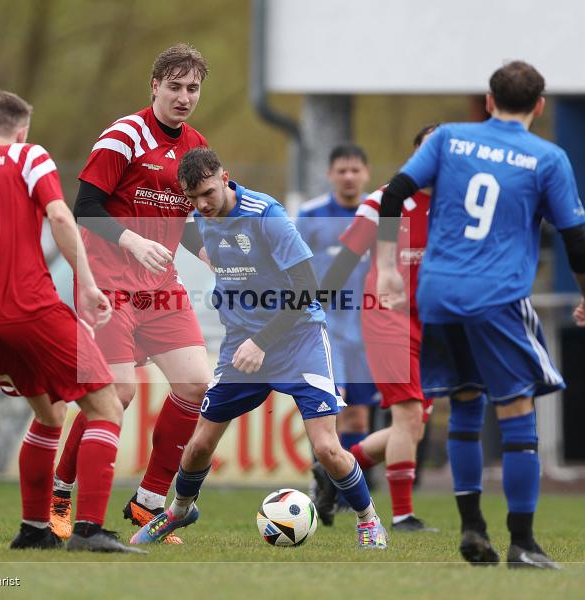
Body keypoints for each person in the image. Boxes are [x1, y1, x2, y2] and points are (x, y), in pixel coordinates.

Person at [375, 61, 585, 569]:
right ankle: (523, 543)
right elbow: (577, 241)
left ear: (488, 99)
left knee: (466, 404)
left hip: (438, 295)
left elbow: (393, 193)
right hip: (497, 297)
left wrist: (389, 270)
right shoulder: (547, 156)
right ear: (539, 106)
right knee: (518, 413)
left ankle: (472, 527)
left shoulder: (450, 138)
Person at [129, 147, 387, 549]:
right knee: (198, 445)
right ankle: (179, 511)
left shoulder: (268, 215)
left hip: (298, 339)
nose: (201, 205)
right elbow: (188, 229)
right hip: (242, 345)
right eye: (192, 198)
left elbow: (307, 291)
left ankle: (368, 520)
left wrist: (261, 341)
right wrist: (207, 256)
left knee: (326, 448)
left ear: (225, 177)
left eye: (208, 194)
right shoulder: (201, 214)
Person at [0, 90, 141, 553]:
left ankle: (34, 529)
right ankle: (90, 530)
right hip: (31, 306)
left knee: (50, 414)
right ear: (21, 131)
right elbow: (59, 213)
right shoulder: (27, 155)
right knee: (108, 403)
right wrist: (89, 285)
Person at [49, 44, 213, 543]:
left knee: (195, 385)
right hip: (109, 286)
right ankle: (60, 492)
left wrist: (213, 257)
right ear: (155, 86)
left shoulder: (196, 144)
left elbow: (183, 219)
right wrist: (133, 240)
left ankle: (148, 503)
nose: (184, 97)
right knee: (115, 396)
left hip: (160, 290)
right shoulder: (125, 135)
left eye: (193, 89)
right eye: (175, 87)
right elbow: (85, 207)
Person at [317, 125, 439, 533]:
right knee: (405, 416)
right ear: (416, 156)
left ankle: (334, 475)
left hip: (435, 323)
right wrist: (314, 307)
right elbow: (346, 259)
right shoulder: (383, 201)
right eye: (428, 151)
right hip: (387, 318)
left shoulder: (458, 205)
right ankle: (403, 516)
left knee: (416, 422)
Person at [296, 144, 379, 515]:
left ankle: (341, 494)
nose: (348, 176)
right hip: (326, 332)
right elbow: (292, 266)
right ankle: (328, 481)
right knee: (335, 414)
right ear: (331, 174)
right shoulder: (311, 215)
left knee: (359, 417)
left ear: (366, 173)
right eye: (341, 170)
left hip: (368, 333)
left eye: (354, 170)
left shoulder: (378, 216)